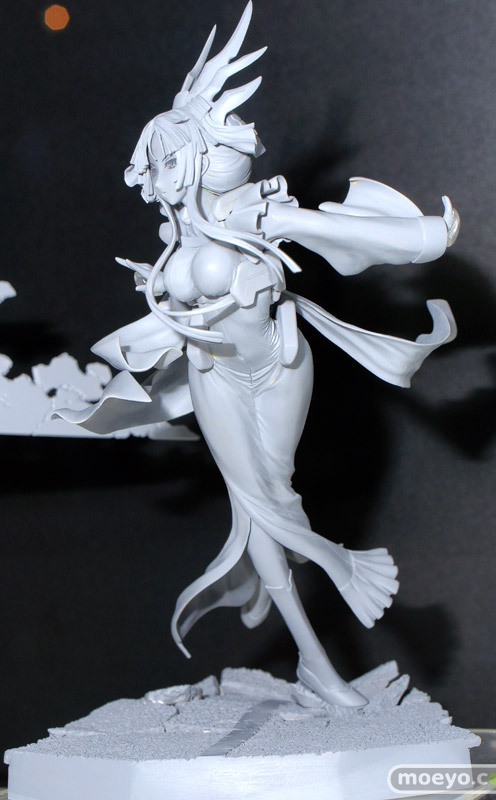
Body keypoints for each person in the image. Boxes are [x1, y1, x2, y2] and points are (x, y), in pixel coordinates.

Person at [55, 2, 459, 708]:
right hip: (212, 377)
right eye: (156, 162)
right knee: (256, 505)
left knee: (277, 495)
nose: (159, 175)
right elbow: (175, 320)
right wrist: (165, 304)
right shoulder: (174, 241)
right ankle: (316, 662)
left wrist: (425, 238)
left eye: (173, 157)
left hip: (279, 365)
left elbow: (332, 229)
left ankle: (330, 595)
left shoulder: (248, 212)